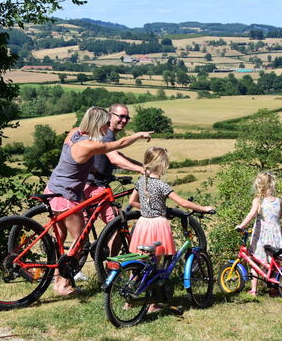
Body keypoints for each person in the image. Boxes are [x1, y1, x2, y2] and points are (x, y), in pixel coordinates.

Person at [44, 106, 153, 295]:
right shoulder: (89, 145)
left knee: (60, 239)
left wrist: (92, 171)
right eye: (105, 123)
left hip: (52, 189)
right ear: (99, 124)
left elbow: (75, 161)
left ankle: (57, 279)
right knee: (80, 241)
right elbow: (119, 145)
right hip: (66, 196)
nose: (107, 127)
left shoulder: (74, 134)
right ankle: (63, 285)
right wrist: (140, 135)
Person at [128, 146, 213, 312]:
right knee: (155, 264)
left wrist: (148, 209)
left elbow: (132, 202)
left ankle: (129, 300)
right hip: (158, 225)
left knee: (139, 263)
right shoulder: (161, 185)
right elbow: (183, 203)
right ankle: (152, 304)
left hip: (143, 223)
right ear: (160, 164)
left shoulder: (141, 181)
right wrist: (204, 208)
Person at [84, 103, 144, 224]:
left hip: (88, 185)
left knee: (82, 229)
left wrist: (142, 165)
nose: (124, 120)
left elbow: (118, 156)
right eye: (121, 116)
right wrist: (141, 170)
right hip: (95, 186)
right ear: (110, 116)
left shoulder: (106, 133)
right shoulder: (107, 135)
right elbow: (115, 159)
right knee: (117, 225)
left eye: (127, 118)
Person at [236, 172, 282, 296]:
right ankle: (274, 290)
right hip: (276, 235)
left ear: (260, 185)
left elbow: (251, 214)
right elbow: (279, 217)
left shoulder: (258, 201)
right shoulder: (279, 201)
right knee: (274, 263)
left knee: (255, 261)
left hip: (261, 235)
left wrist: (242, 225)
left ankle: (254, 290)